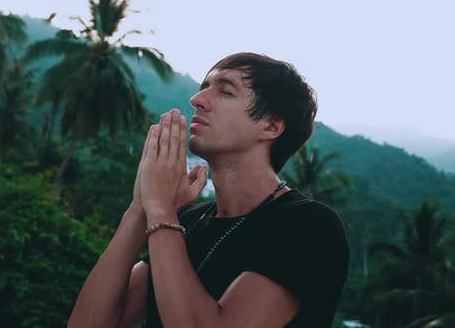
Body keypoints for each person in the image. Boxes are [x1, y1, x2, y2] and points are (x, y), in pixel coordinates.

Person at [68, 52, 349, 328]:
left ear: (271, 125)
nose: (197, 100)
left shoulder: (309, 225)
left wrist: (161, 210)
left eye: (225, 91)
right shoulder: (188, 223)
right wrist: (140, 209)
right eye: (204, 89)